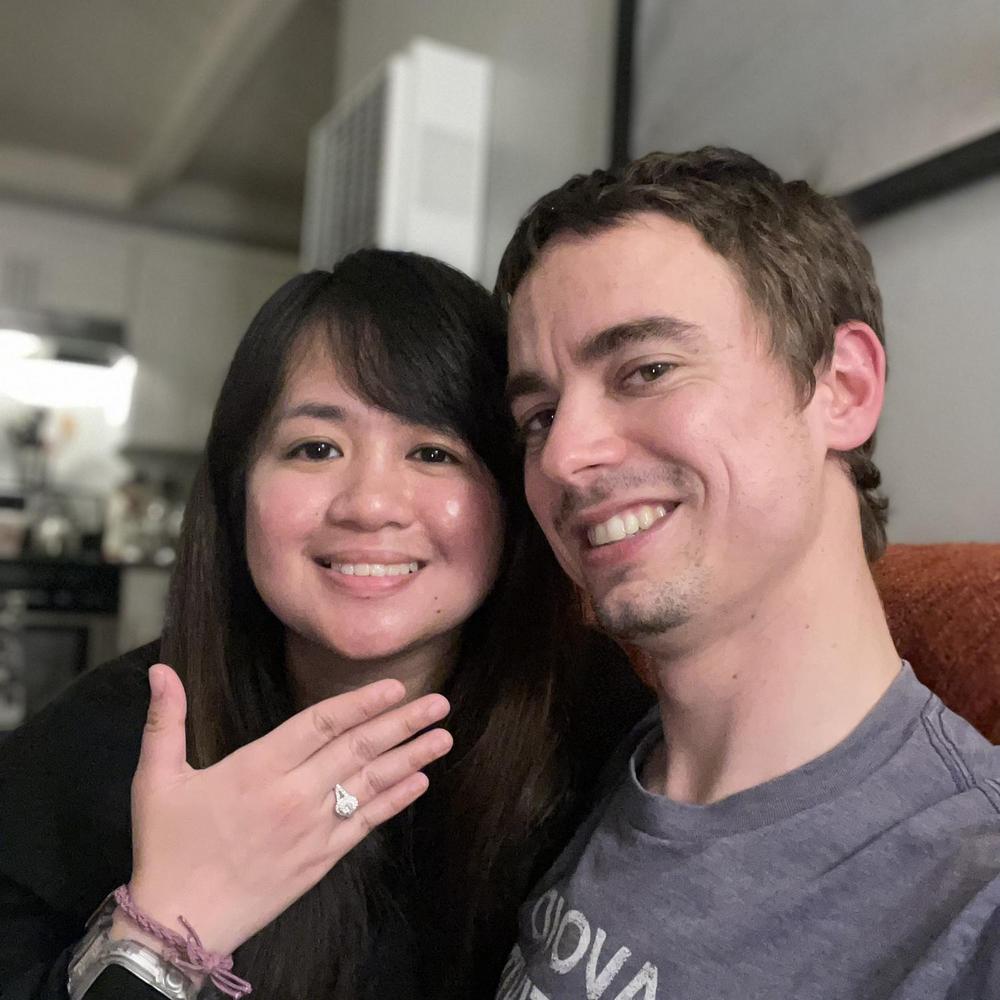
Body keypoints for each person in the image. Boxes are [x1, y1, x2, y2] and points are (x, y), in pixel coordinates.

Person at [0, 249, 651, 1000]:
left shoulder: (616, 749)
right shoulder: (91, 750)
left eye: (433, 452)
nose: (370, 504)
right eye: (316, 448)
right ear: (238, 488)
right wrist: (160, 934)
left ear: (514, 497)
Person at [492, 147, 1000, 999]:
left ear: (843, 387)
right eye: (539, 416)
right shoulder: (573, 764)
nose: (564, 457)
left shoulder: (971, 897)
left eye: (647, 371)